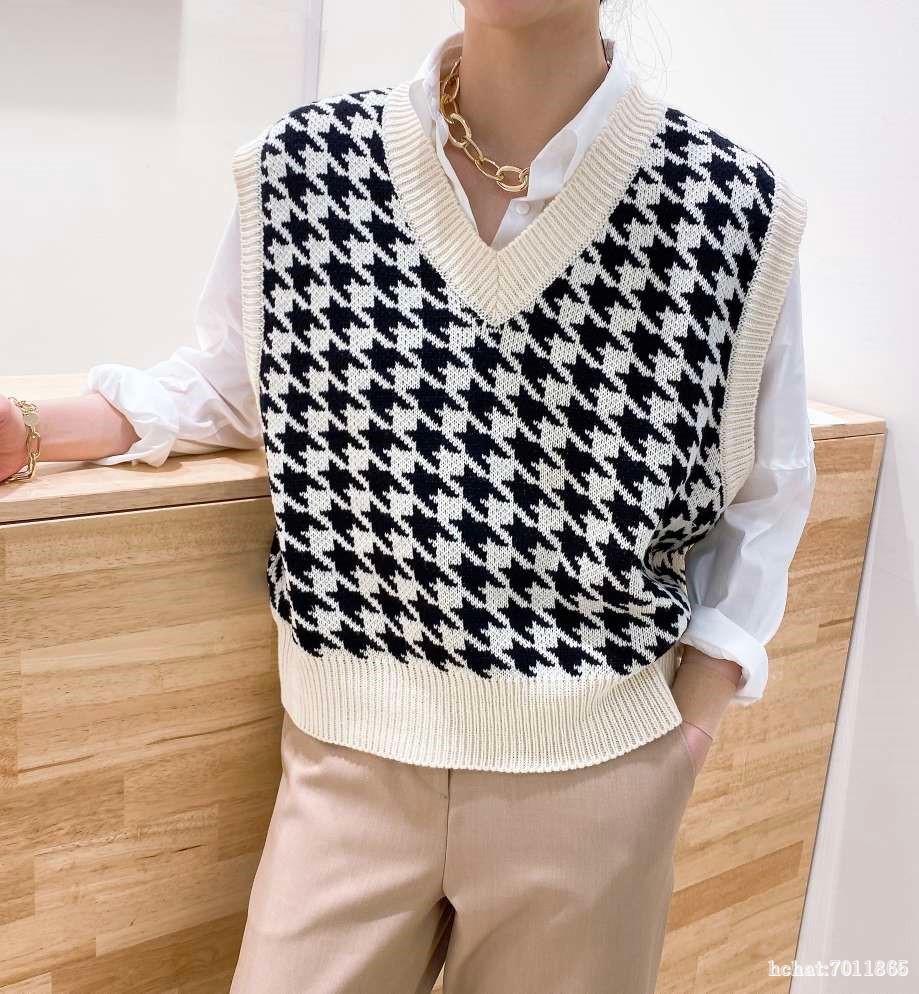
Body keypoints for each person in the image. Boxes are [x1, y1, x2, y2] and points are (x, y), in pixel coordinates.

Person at [0, 1, 815, 991]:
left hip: (598, 783)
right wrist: (33, 429)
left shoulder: (730, 211)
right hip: (344, 761)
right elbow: (233, 382)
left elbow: (764, 495)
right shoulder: (303, 169)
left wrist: (686, 736)